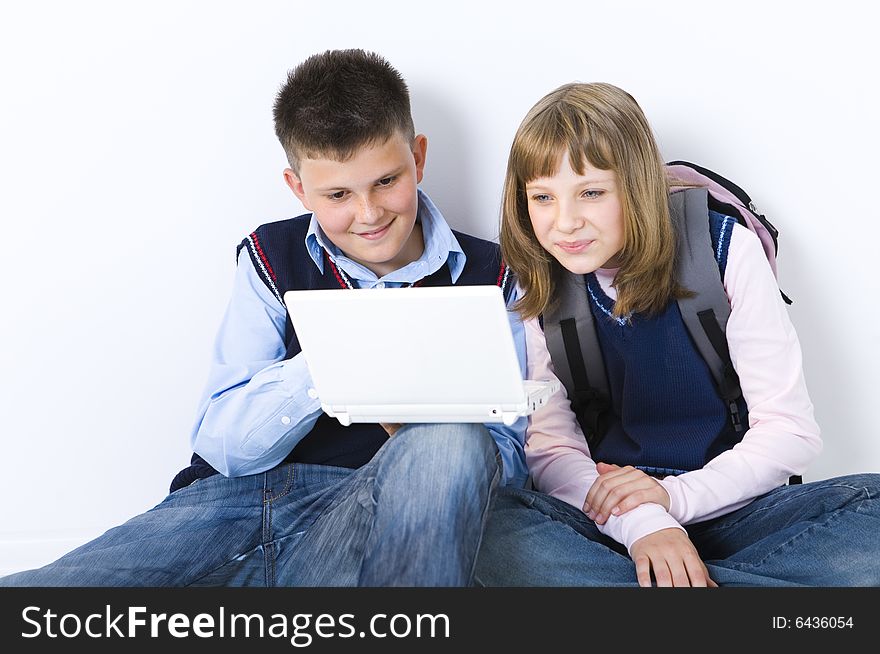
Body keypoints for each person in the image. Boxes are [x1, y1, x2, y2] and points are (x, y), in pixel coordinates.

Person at [0, 48, 528, 587]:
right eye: (338, 194)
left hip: (369, 514)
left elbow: (507, 459)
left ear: (418, 157)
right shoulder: (269, 255)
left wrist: (419, 424)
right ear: (299, 188)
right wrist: (333, 361)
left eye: (386, 182)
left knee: (452, 446)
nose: (368, 214)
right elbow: (221, 441)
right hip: (228, 509)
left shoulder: (493, 273)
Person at [473, 82, 880, 586]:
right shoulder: (537, 279)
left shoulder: (724, 248)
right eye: (542, 198)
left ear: (637, 184)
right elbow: (553, 452)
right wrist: (646, 523)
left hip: (735, 508)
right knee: (487, 523)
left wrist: (673, 500)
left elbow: (789, 431)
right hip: (612, 518)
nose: (566, 222)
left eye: (591, 192)